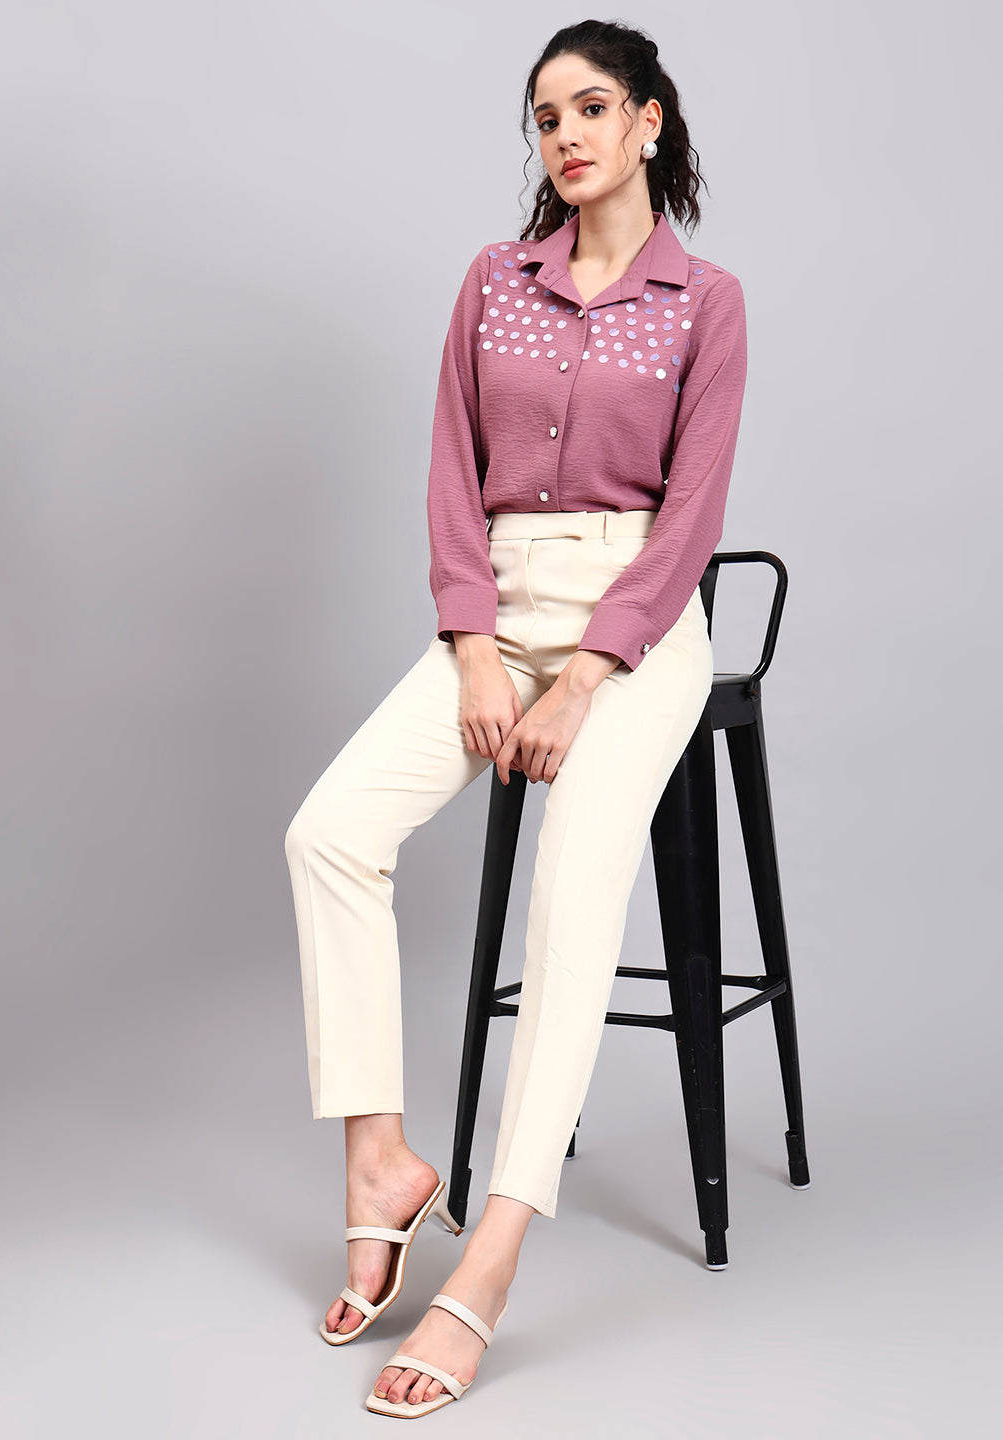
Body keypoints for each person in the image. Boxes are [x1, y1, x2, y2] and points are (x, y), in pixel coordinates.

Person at [283, 18, 748, 1419]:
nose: (567, 136)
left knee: (571, 894)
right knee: (329, 834)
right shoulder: (496, 280)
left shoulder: (705, 301)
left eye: (593, 108)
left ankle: (488, 1258)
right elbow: (450, 472)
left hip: (637, 624)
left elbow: (693, 517)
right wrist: (477, 650)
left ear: (650, 121)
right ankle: (381, 1159)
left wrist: (590, 674)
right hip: (499, 607)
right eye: (546, 118)